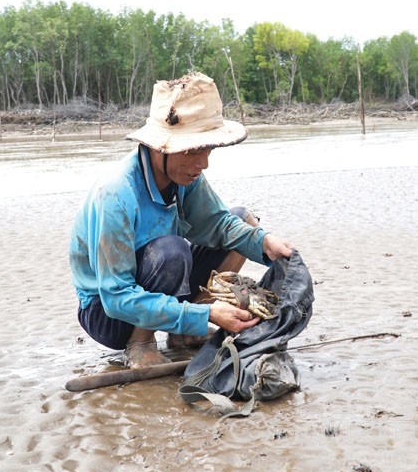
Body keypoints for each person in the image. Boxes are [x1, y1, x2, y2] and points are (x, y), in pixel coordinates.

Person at [69, 72, 293, 369]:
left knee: (244, 221)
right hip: (108, 313)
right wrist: (206, 315)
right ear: (159, 147)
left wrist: (265, 243)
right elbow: (115, 296)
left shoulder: (185, 177)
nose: (203, 164)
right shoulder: (116, 194)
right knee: (171, 251)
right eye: (191, 151)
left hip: (162, 283)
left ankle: (183, 333)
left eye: (207, 150)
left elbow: (220, 224)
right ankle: (140, 342)